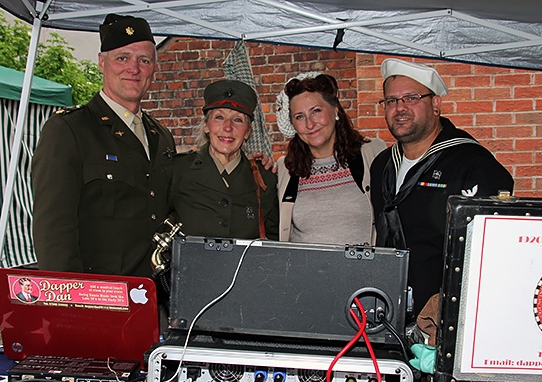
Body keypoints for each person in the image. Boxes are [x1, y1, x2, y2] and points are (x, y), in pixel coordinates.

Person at [32, 14, 175, 280]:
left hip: (152, 296)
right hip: (97, 297)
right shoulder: (70, 130)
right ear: (101, 62)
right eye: (122, 58)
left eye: (144, 60)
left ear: (154, 68)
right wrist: (70, 301)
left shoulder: (161, 137)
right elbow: (53, 230)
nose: (134, 69)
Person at [370, 58, 514, 318]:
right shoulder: (382, 165)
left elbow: (490, 253)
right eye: (391, 101)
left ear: (436, 104)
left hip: (448, 317)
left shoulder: (472, 163)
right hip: (388, 311)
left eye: (411, 98)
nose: (399, 108)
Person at [276, 73, 386, 245]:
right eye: (299, 116)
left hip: (362, 270)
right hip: (303, 271)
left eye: (316, 111)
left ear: (335, 110)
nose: (309, 124)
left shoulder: (373, 153)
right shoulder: (285, 169)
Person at [170, 80, 279, 239]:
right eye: (219, 117)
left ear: (247, 131)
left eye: (238, 120)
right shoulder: (177, 170)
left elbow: (273, 242)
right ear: (206, 125)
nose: (228, 127)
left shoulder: (264, 179)